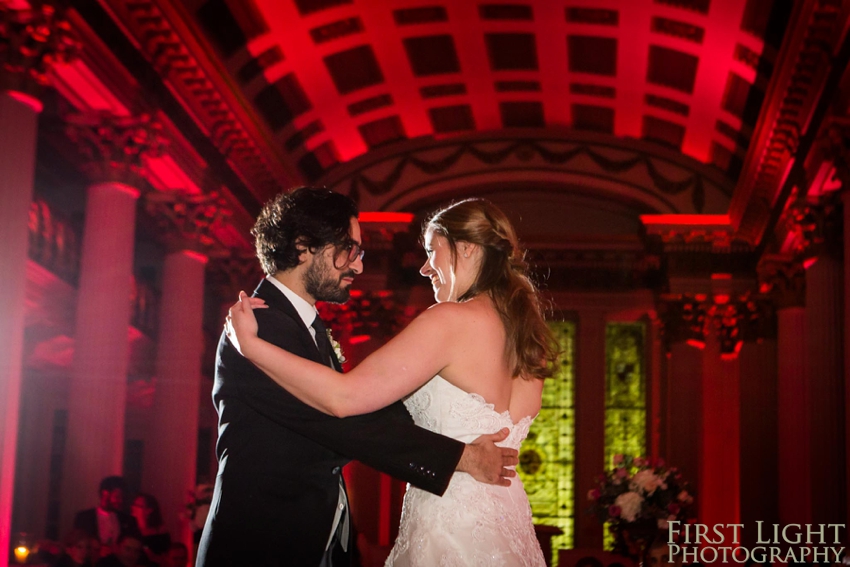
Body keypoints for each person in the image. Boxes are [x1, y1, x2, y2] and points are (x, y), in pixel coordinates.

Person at [196, 188, 519, 567]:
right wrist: (459, 457)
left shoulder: (303, 327)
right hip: (261, 544)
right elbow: (344, 422)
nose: (358, 266)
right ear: (304, 248)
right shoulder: (259, 326)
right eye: (349, 250)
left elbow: (365, 412)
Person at [73, 477, 140, 557]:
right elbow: (77, 545)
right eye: (117, 497)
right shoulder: (84, 517)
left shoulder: (128, 520)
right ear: (105, 494)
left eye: (122, 497)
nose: (121, 501)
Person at [129, 493, 170, 561]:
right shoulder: (130, 530)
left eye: (137, 505)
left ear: (149, 510)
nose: (133, 507)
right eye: (133, 504)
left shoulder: (160, 533)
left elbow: (165, 557)